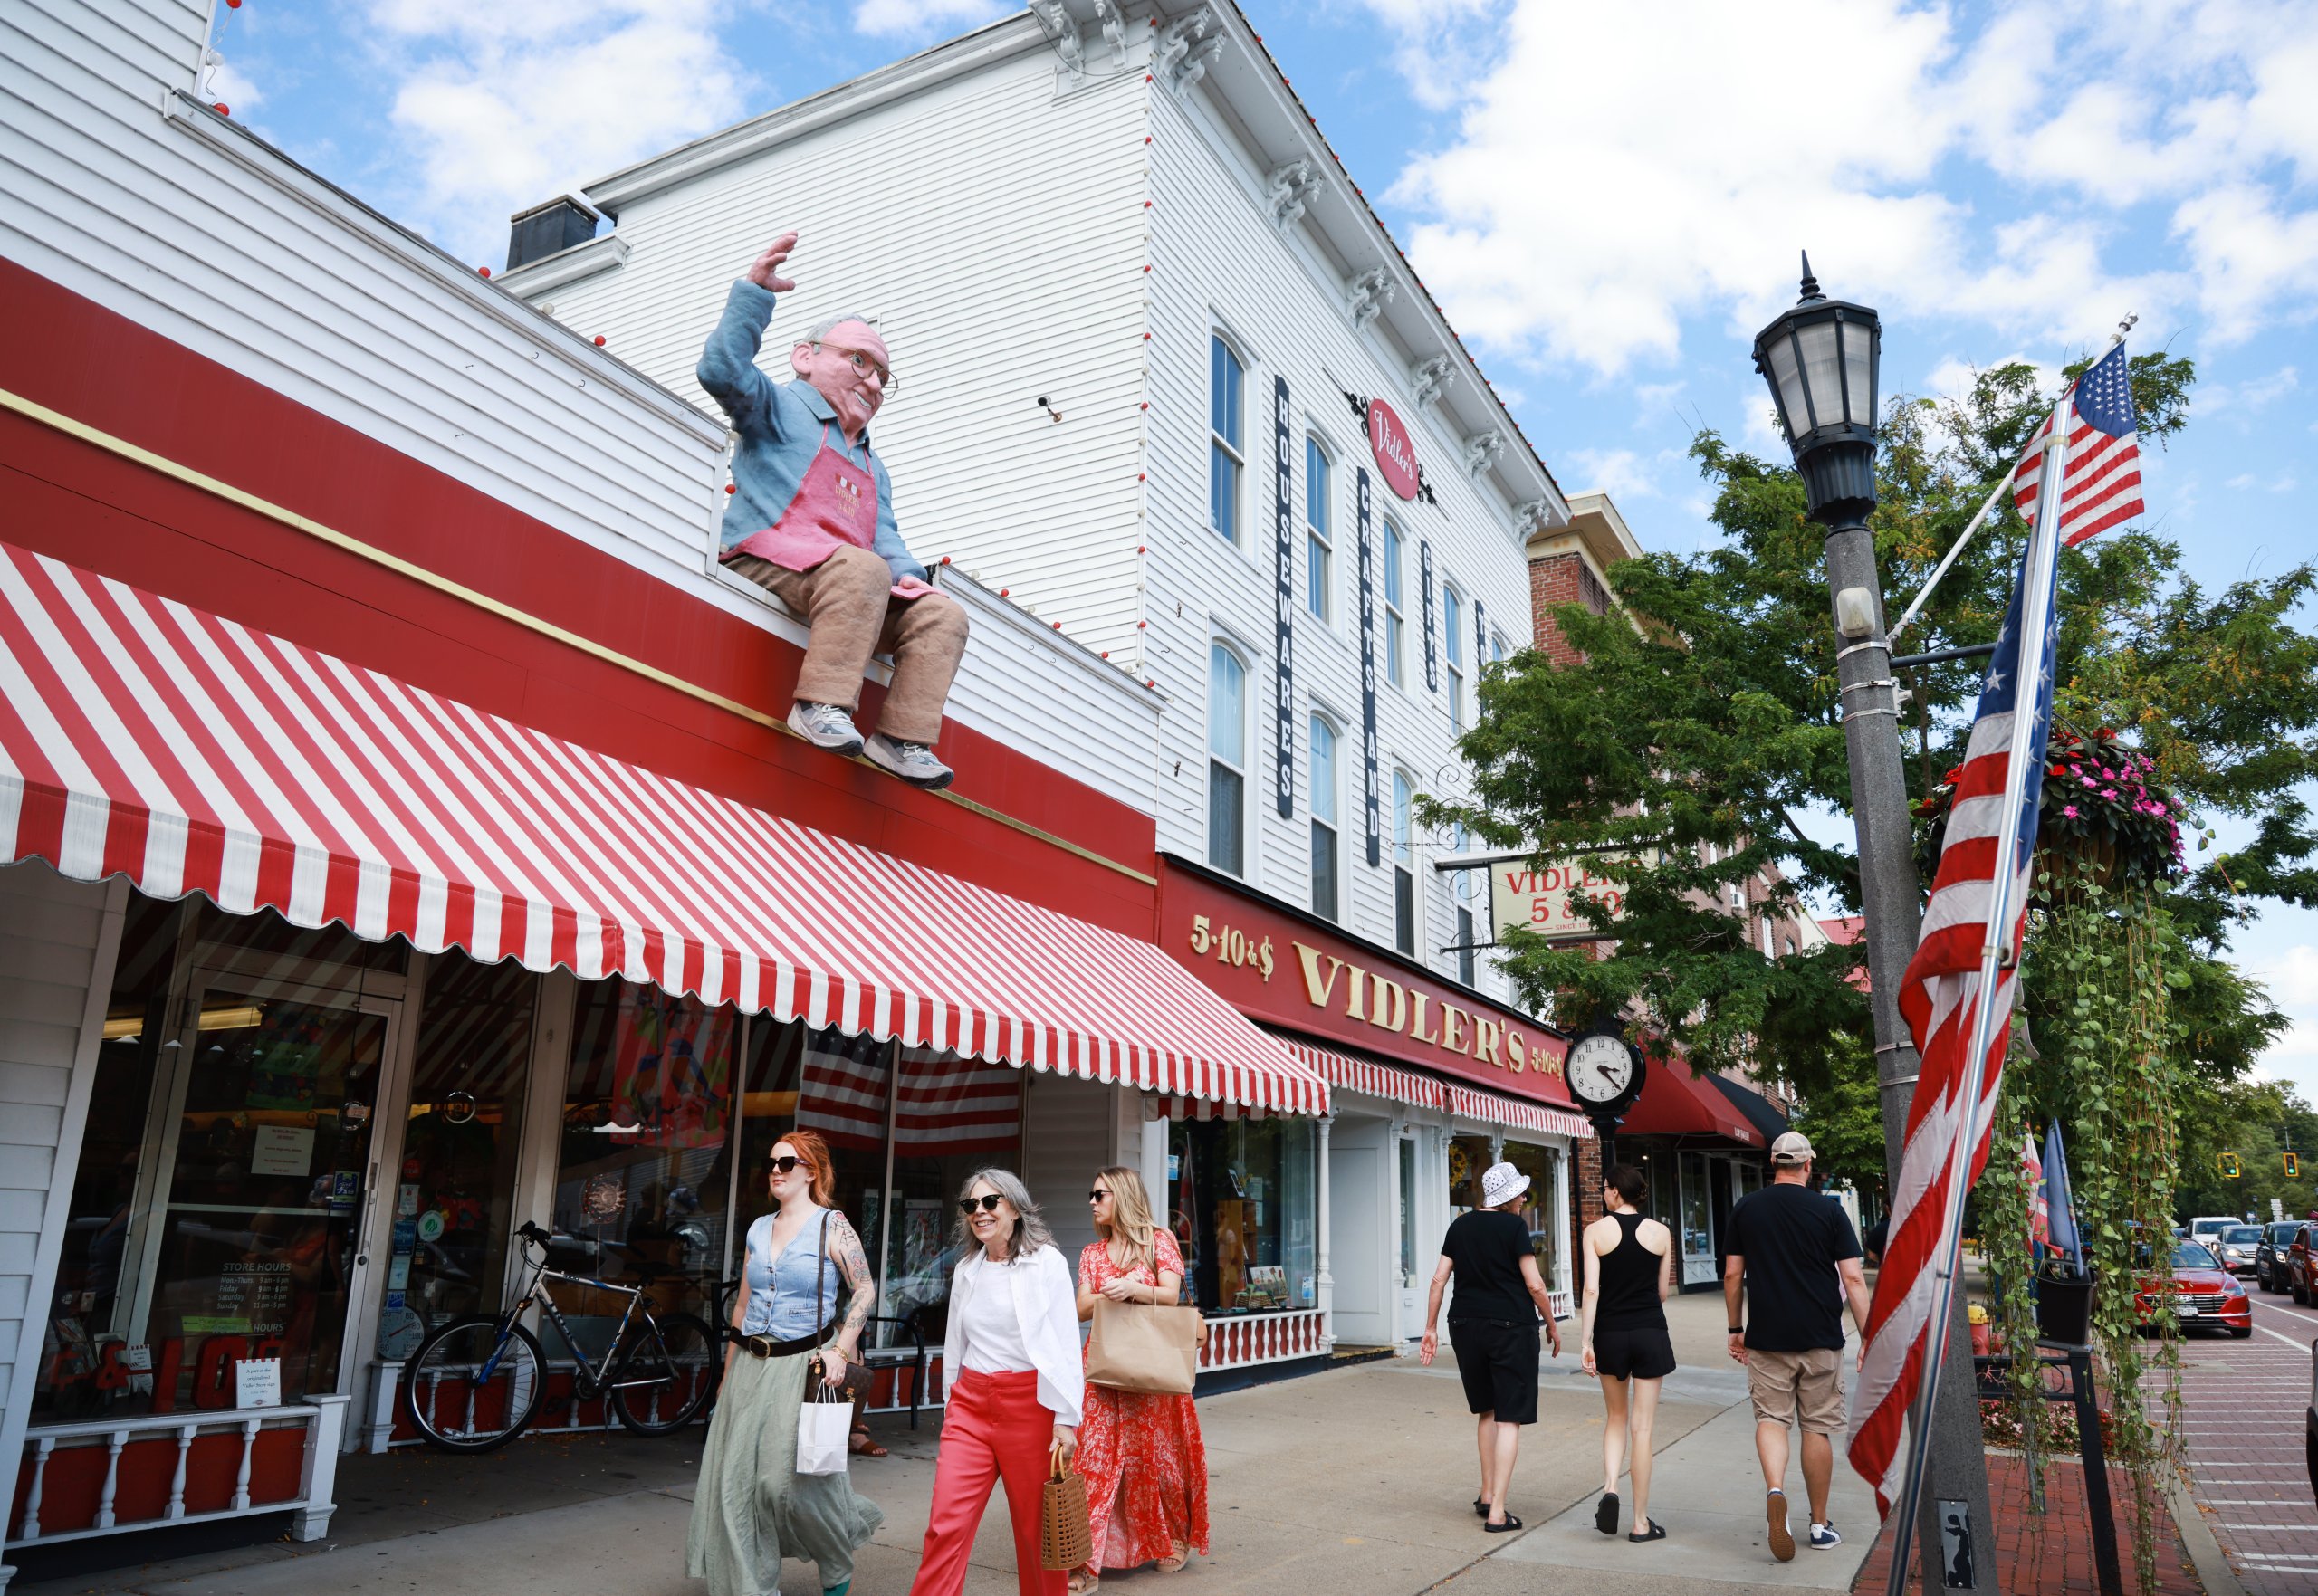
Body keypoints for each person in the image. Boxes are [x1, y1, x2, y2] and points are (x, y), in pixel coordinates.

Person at [699, 231, 970, 789]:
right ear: (806, 358)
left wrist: (915, 583)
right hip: (768, 553)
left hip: (848, 579)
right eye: (860, 362)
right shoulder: (778, 406)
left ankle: (901, 738)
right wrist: (753, 296)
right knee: (862, 567)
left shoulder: (874, 465)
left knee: (944, 614)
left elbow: (884, 538)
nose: (871, 384)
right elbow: (721, 371)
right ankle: (819, 706)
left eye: (881, 378)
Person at [687, 1132, 883, 1596]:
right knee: (735, 1483)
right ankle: (754, 1586)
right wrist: (726, 1372)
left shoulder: (832, 1225)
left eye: (788, 1162)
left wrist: (840, 1350)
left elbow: (865, 1289)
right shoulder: (757, 1228)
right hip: (751, 1367)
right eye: (771, 1161)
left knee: (787, 1485)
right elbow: (742, 1306)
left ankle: (835, 1559)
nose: (776, 1169)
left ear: (811, 1171)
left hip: (805, 1368)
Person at [911, 1170, 1085, 1596]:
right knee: (944, 1525)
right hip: (971, 1405)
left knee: (1036, 1534)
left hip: (1030, 1407)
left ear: (1015, 1207)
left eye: (991, 1203)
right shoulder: (969, 1268)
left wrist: (1066, 1420)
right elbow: (956, 1342)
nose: (980, 1212)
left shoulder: (1046, 1263)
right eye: (971, 1206)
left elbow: (1065, 1342)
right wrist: (952, 1402)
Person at [1723, 1131, 1872, 1563]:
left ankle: (1775, 1493)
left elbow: (1733, 1276)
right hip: (1820, 1337)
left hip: (1767, 1337)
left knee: (1771, 1418)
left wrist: (1735, 1327)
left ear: (1773, 1164)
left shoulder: (1746, 1208)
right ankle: (1820, 1525)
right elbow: (1854, 1279)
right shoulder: (1829, 1211)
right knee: (1816, 1427)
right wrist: (1868, 1337)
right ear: (1808, 1165)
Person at [1070, 1168, 1210, 1594]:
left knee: (1159, 1458)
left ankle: (1173, 1537)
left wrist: (1132, 1287)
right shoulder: (1092, 1253)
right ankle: (1085, 1561)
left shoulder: (1158, 1240)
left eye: (1100, 1194)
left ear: (1123, 1196)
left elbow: (1170, 1294)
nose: (1092, 1202)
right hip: (1103, 1366)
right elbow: (1080, 1308)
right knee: (1092, 1461)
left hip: (1152, 1366)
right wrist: (1104, 1293)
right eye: (1090, 1194)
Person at [1419, 1161, 1564, 1533]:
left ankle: (1486, 1495)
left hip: (1464, 1325)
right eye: (1520, 1194)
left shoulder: (1460, 1225)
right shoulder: (1514, 1227)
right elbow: (1534, 1285)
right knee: (1509, 1417)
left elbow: (1438, 1279)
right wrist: (1551, 1324)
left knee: (1486, 1411)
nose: (1524, 1200)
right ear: (1508, 1197)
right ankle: (1498, 1512)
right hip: (1510, 1327)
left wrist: (1430, 1328)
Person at [1577, 1163, 1675, 1543]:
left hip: (1611, 1333)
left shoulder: (1595, 1232)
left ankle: (1610, 1488)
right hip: (1651, 1331)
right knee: (1643, 1427)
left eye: (1605, 1188)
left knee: (1616, 1418)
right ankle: (1640, 1522)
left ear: (1617, 1191)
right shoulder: (1661, 1233)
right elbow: (1662, 1293)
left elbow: (1591, 1290)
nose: (1603, 1193)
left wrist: (1586, 1342)